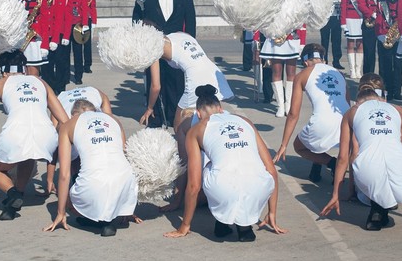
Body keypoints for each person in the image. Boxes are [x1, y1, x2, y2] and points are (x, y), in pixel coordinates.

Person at [164, 85, 285, 241]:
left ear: (198, 114)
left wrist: (185, 226)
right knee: (243, 166)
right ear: (220, 109)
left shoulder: (196, 129)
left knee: (209, 166)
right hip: (259, 188)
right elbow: (271, 170)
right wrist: (272, 213)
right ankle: (244, 227)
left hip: (224, 188)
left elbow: (194, 185)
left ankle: (222, 222)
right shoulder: (245, 121)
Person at [321, 74, 402, 230]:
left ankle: (377, 211)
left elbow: (343, 158)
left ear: (358, 101)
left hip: (368, 172)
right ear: (382, 98)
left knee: (373, 173)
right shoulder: (400, 111)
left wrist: (336, 194)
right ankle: (381, 210)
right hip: (401, 171)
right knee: (390, 171)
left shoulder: (352, 113)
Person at [0, 50, 68, 221]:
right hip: (46, 135)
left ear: (4, 71)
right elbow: (64, 120)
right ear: (24, 69)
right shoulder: (41, 82)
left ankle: (12, 193)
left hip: (14, 134)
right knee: (28, 156)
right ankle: (17, 196)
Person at [44, 99, 138, 236]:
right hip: (125, 181)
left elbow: (64, 175)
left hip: (94, 184)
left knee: (72, 201)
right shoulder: (114, 120)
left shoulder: (67, 125)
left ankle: (101, 221)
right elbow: (126, 157)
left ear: (73, 114)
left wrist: (60, 212)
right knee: (114, 175)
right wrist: (128, 205)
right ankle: (114, 214)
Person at [132, 0, 197, 128]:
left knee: (176, 83)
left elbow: (191, 22)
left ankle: (173, 117)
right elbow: (136, 17)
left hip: (176, 46)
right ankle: (155, 117)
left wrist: (190, 44)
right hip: (154, 45)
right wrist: (139, 41)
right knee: (155, 82)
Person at [274, 44, 350, 183]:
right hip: (345, 124)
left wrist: (284, 144)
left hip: (322, 124)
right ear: (323, 59)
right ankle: (335, 166)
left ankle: (332, 163)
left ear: (304, 61)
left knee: (299, 146)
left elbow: (293, 114)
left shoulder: (302, 75)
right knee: (318, 133)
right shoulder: (339, 73)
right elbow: (347, 105)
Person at [140, 32, 234, 133]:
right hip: (214, 72)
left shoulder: (153, 47)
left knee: (179, 127)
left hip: (196, 76)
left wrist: (150, 108)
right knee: (215, 117)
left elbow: (156, 86)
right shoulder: (179, 34)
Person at [259, 0, 305, 118]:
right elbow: (265, 16)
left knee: (291, 73)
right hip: (275, 38)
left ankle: (288, 104)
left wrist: (301, 41)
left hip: (291, 38)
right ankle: (279, 105)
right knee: (276, 71)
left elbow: (301, 16)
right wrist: (272, 32)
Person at [375, 0, 402, 102]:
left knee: (398, 65)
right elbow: (378, 21)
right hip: (385, 38)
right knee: (385, 66)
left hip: (398, 38)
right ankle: (386, 91)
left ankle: (397, 91)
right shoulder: (382, 4)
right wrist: (382, 36)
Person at [60, 0, 90, 85]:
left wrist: (84, 24)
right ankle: (65, 76)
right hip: (65, 26)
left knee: (78, 53)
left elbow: (84, 7)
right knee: (64, 54)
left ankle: (78, 76)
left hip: (77, 25)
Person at [361, 0, 387, 75]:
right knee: (369, 54)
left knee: (383, 55)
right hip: (369, 24)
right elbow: (361, 4)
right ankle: (368, 80)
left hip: (383, 25)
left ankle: (383, 82)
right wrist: (371, 13)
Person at [340, 0, 366, 79]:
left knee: (360, 44)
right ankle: (352, 70)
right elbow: (343, 6)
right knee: (350, 44)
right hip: (350, 18)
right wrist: (343, 22)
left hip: (360, 18)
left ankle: (358, 69)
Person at [75, 0, 95, 75]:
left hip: (87, 18)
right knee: (78, 44)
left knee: (87, 44)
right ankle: (79, 66)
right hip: (77, 19)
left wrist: (94, 21)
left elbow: (93, 6)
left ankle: (87, 65)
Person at [318, 0, 344, 70]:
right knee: (324, 40)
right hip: (325, 15)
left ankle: (336, 61)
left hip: (337, 15)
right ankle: (323, 59)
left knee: (337, 40)